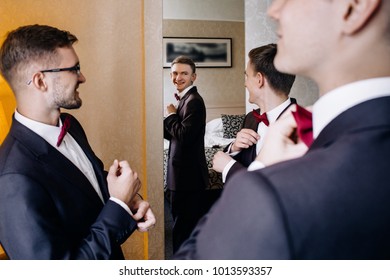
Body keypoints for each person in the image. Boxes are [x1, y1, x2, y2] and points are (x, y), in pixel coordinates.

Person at [174, 0, 390, 259]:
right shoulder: (258, 120)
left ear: (354, 7)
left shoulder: (274, 194)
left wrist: (256, 174)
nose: (273, 10)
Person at [0, 24, 156, 260]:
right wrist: (118, 204)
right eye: (74, 69)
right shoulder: (12, 178)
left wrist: (131, 203)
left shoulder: (71, 125)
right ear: (41, 81)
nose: (83, 77)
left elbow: (85, 186)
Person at [212, 44, 296, 182]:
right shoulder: (250, 118)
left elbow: (282, 187)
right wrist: (235, 147)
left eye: (246, 76)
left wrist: (229, 167)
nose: (245, 84)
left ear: (259, 79)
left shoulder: (301, 126)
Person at [163, 55, 208, 253]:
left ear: (193, 77)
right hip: (180, 175)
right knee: (181, 223)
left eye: (184, 73)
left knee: (183, 228)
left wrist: (172, 115)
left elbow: (184, 136)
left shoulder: (194, 101)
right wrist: (166, 118)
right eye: (174, 73)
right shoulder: (184, 99)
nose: (178, 77)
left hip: (187, 177)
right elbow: (173, 135)